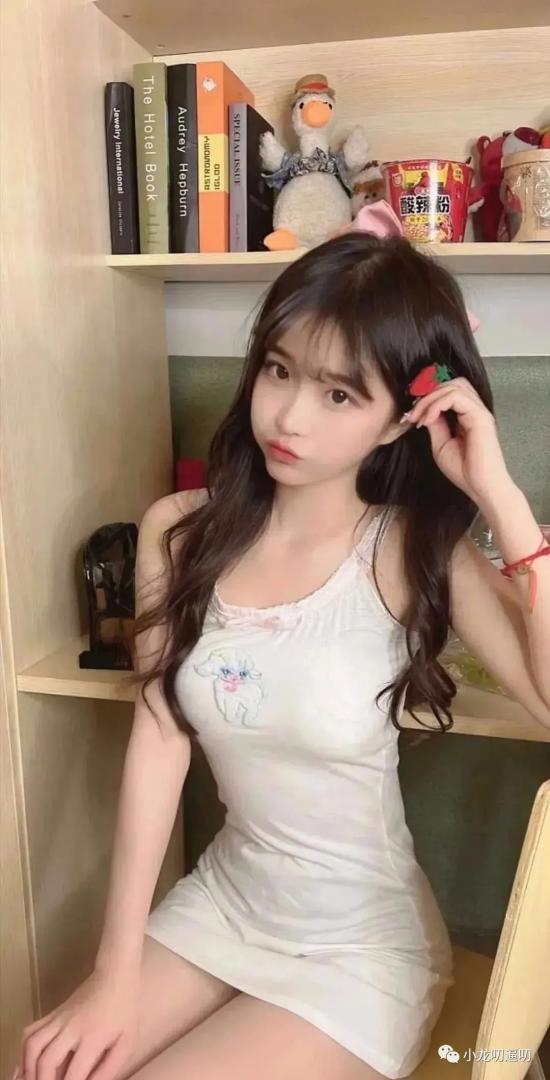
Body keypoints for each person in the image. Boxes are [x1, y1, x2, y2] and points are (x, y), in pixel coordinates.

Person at [14, 231, 550, 1080]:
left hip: (361, 952)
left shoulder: (417, 551)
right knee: (44, 1070)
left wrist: (499, 493)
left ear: (400, 419)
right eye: (279, 370)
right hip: (224, 904)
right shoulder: (179, 533)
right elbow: (159, 737)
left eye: (339, 394)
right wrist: (113, 973)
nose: (291, 418)